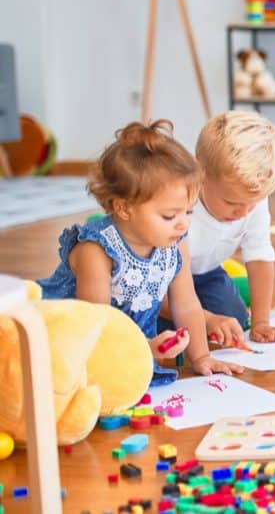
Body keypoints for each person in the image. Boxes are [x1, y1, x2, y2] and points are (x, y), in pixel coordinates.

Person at [37, 120, 244, 385]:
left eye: (189, 211)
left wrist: (201, 357)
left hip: (131, 347)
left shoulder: (176, 243)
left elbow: (187, 303)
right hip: (74, 343)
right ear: (124, 208)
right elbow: (96, 323)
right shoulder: (96, 251)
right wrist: (144, 347)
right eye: (170, 215)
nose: (184, 223)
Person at [160, 111, 275, 344]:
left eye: (252, 204)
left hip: (206, 272)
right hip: (158, 280)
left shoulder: (250, 200)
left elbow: (260, 255)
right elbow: (148, 288)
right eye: (231, 203)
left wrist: (261, 322)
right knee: (167, 329)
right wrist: (205, 318)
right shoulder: (176, 205)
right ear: (199, 174)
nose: (243, 213)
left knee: (236, 323)